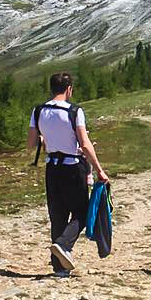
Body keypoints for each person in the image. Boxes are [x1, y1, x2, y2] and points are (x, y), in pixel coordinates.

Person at [27, 72, 110, 276]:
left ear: (51, 88)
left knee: (58, 215)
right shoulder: (74, 111)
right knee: (82, 211)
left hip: (52, 167)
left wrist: (45, 139)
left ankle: (59, 267)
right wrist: (99, 169)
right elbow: (84, 143)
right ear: (69, 89)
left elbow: (30, 144)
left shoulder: (38, 111)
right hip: (73, 166)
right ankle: (64, 245)